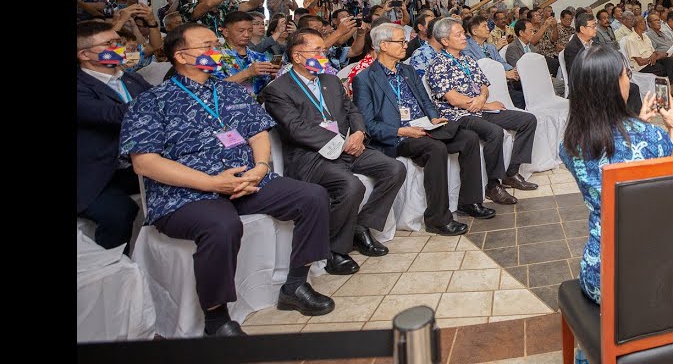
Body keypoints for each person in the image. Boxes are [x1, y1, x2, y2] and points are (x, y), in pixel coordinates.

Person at [120, 23, 335, 335]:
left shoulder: (231, 91)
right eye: (207, 45)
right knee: (221, 225)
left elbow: (258, 133)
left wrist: (261, 167)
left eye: (216, 44)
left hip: (248, 180)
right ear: (181, 55)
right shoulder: (152, 101)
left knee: (313, 196)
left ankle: (295, 286)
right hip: (187, 194)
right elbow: (145, 163)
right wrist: (211, 183)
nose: (217, 50)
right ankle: (217, 318)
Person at [561, 46, 673, 364]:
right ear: (616, 86)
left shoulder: (571, 144)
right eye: (626, 74)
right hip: (653, 274)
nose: (629, 79)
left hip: (600, 272)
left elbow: (612, 155)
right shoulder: (652, 139)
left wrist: (637, 124)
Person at [261, 30, 407, 274]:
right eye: (316, 51)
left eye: (324, 50)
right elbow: (297, 130)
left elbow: (353, 111)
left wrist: (359, 133)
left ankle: (362, 226)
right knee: (351, 186)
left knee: (394, 168)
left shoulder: (329, 80)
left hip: (348, 147)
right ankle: (334, 249)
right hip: (311, 156)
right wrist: (341, 143)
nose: (324, 55)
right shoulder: (278, 89)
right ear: (297, 56)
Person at [353, 23, 493, 236]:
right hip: (397, 136)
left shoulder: (407, 71)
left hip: (424, 127)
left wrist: (434, 118)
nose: (405, 45)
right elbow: (369, 124)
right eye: (400, 41)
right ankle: (438, 219)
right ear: (383, 45)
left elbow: (426, 102)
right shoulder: (365, 79)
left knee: (468, 138)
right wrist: (402, 131)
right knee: (435, 149)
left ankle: (470, 202)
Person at [427, 18, 539, 204]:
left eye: (463, 33)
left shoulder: (468, 59)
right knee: (494, 132)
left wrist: (482, 98)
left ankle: (511, 173)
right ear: (445, 41)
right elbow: (454, 99)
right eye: (459, 35)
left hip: (479, 109)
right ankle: (493, 186)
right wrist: (484, 104)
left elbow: (484, 87)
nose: (464, 37)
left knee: (528, 120)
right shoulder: (438, 65)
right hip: (458, 115)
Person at [78, 20, 152, 252]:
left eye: (118, 42)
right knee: (120, 213)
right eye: (109, 44)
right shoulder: (80, 85)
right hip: (92, 170)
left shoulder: (130, 78)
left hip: (132, 164)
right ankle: (115, 270)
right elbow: (112, 115)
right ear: (84, 54)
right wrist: (169, 95)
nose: (119, 48)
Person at [618, 13, 673, 110]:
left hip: (652, 63)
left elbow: (654, 52)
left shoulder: (645, 37)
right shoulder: (631, 40)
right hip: (642, 67)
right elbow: (640, 62)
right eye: (643, 22)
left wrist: (655, 55)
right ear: (638, 24)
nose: (645, 24)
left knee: (670, 61)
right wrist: (654, 57)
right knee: (667, 68)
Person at [462, 14, 524, 108]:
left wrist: (513, 70)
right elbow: (478, 68)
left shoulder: (490, 47)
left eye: (487, 26)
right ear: (474, 31)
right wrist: (504, 74)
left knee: (523, 94)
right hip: (483, 88)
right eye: (484, 26)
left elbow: (501, 62)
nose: (488, 29)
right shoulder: (466, 48)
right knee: (518, 98)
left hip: (501, 83)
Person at [214, 11, 279, 96]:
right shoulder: (214, 57)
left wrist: (274, 76)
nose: (246, 35)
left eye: (250, 30)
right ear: (226, 32)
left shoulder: (259, 57)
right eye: (241, 31)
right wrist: (247, 73)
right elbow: (213, 88)